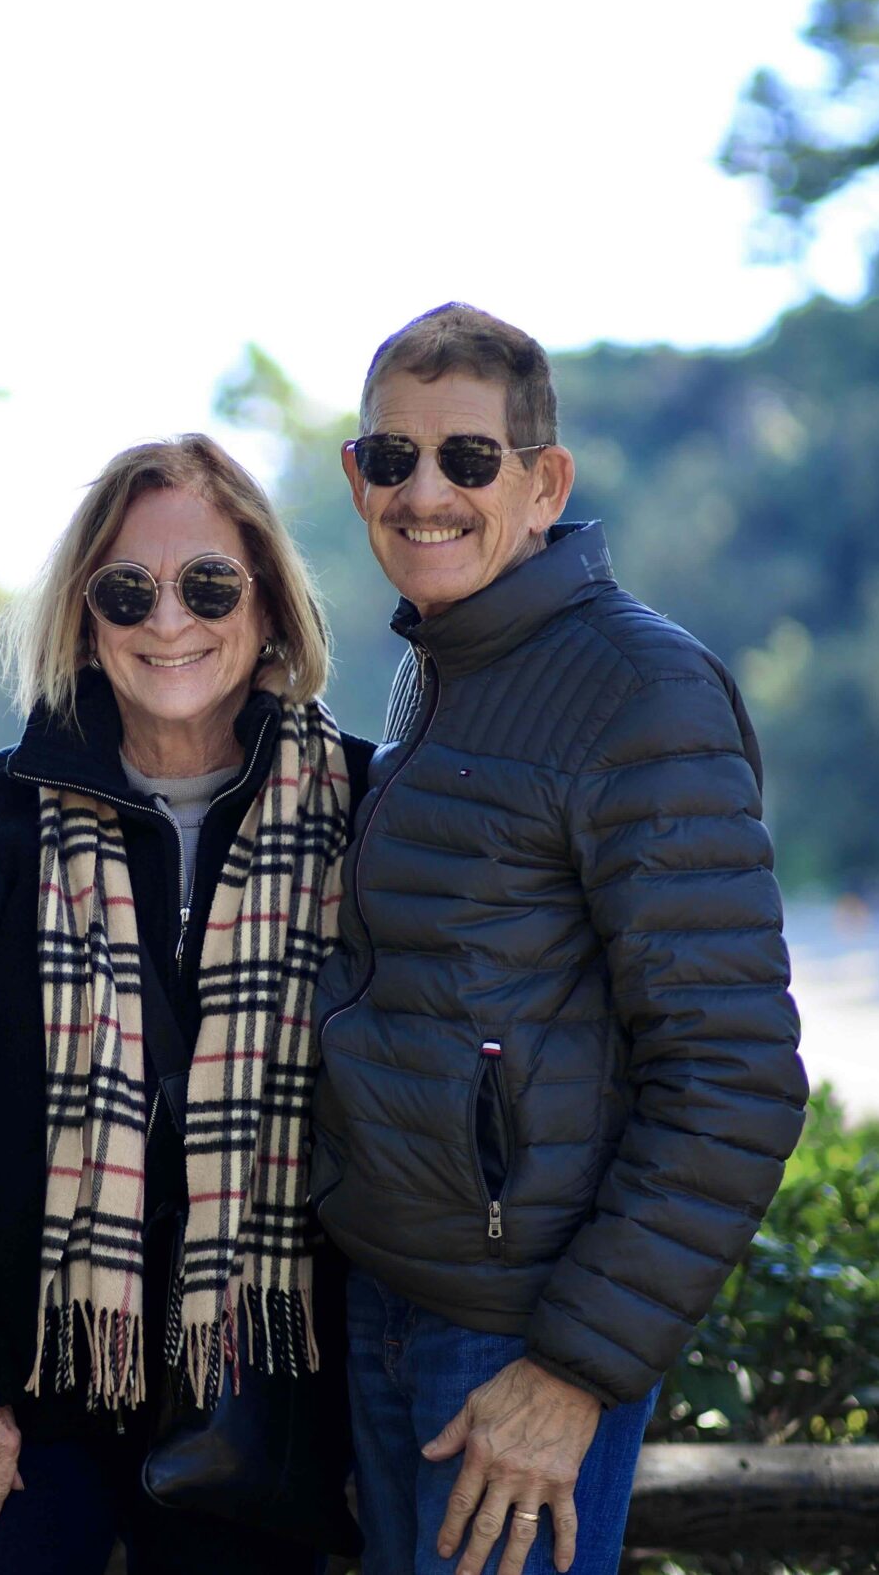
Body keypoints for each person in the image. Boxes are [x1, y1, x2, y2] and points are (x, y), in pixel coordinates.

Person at [312, 302, 808, 1575]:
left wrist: (573, 1370)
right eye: (392, 457)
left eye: (468, 459)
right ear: (357, 476)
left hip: (519, 1353)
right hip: (386, 1314)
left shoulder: (637, 688)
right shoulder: (444, 670)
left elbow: (734, 1074)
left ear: (544, 485)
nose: (426, 490)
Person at [0, 435, 363, 1574]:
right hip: (19, 1426)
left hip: (266, 1409)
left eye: (208, 583)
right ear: (85, 617)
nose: (169, 620)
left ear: (265, 603)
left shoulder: (364, 808)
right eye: (129, 590)